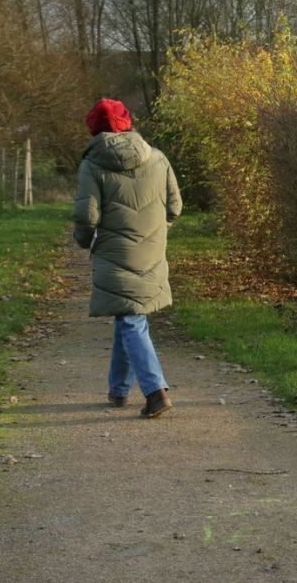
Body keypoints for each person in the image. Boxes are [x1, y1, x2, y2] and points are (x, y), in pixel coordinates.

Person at [71, 98, 182, 418]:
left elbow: (85, 216)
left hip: (114, 251)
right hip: (152, 249)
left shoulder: (92, 164)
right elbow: (175, 207)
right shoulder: (158, 158)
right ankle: (118, 389)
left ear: (94, 129)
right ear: (128, 123)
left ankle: (155, 390)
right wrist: (154, 232)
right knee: (129, 314)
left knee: (130, 316)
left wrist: (82, 241)